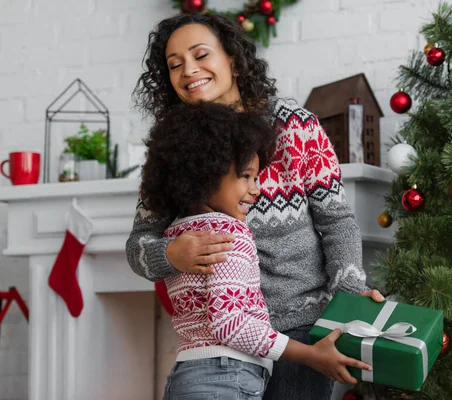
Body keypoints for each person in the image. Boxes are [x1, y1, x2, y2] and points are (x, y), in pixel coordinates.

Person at [127, 13, 384, 400]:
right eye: (175, 64)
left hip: (300, 331)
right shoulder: (174, 148)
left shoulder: (296, 128)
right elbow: (138, 246)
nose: (188, 71)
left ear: (232, 57)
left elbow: (337, 222)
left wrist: (349, 291)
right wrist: (171, 253)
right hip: (219, 351)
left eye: (200, 55)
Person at [140, 102, 372, 400]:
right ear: (207, 174)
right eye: (246, 176)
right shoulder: (228, 235)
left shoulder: (177, 234)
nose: (257, 188)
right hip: (225, 378)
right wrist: (309, 355)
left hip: (189, 372)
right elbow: (229, 324)